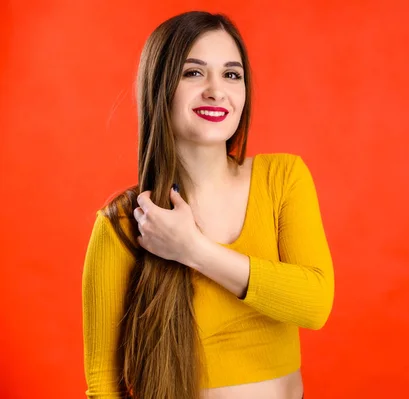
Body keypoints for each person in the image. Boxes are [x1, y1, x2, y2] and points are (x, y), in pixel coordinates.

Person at [81, 10, 334, 399]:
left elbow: (315, 304)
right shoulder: (125, 223)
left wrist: (193, 250)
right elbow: (102, 381)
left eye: (232, 74)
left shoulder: (283, 178)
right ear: (159, 87)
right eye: (193, 73)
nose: (217, 90)